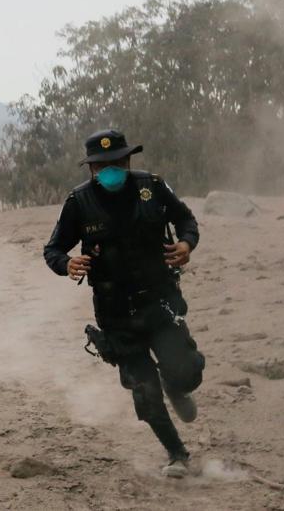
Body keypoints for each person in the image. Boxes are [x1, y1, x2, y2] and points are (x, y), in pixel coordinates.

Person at [43, 129, 204, 478]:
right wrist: (66, 264)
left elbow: (186, 220)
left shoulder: (153, 187)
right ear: (91, 170)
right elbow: (52, 250)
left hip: (160, 302)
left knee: (186, 371)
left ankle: (176, 386)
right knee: (145, 392)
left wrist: (187, 244)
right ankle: (178, 454)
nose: (110, 169)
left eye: (117, 161)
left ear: (128, 160)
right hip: (116, 313)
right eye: (102, 165)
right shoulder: (79, 203)